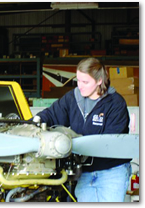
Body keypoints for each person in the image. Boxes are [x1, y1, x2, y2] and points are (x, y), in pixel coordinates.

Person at [34, 57, 132, 202]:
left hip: (111, 172)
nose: (80, 86)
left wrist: (77, 145)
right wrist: (34, 122)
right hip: (84, 173)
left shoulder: (115, 103)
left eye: (85, 82)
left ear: (99, 81)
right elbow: (52, 114)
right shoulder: (73, 98)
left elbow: (110, 142)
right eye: (78, 80)